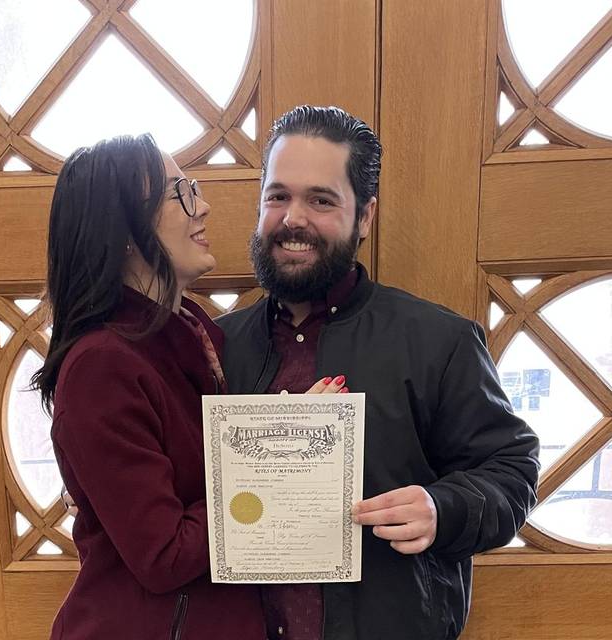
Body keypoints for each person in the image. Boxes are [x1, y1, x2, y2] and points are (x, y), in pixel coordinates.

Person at [216, 105, 540, 640]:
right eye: (278, 196)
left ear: (365, 216)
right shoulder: (216, 347)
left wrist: (444, 508)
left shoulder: (439, 341)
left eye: (321, 200)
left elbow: (511, 468)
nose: (293, 217)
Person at [31, 133, 346, 639]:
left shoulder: (191, 335)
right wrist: (282, 457)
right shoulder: (102, 367)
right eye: (179, 193)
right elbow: (164, 554)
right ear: (126, 231)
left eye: (193, 188)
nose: (203, 206)